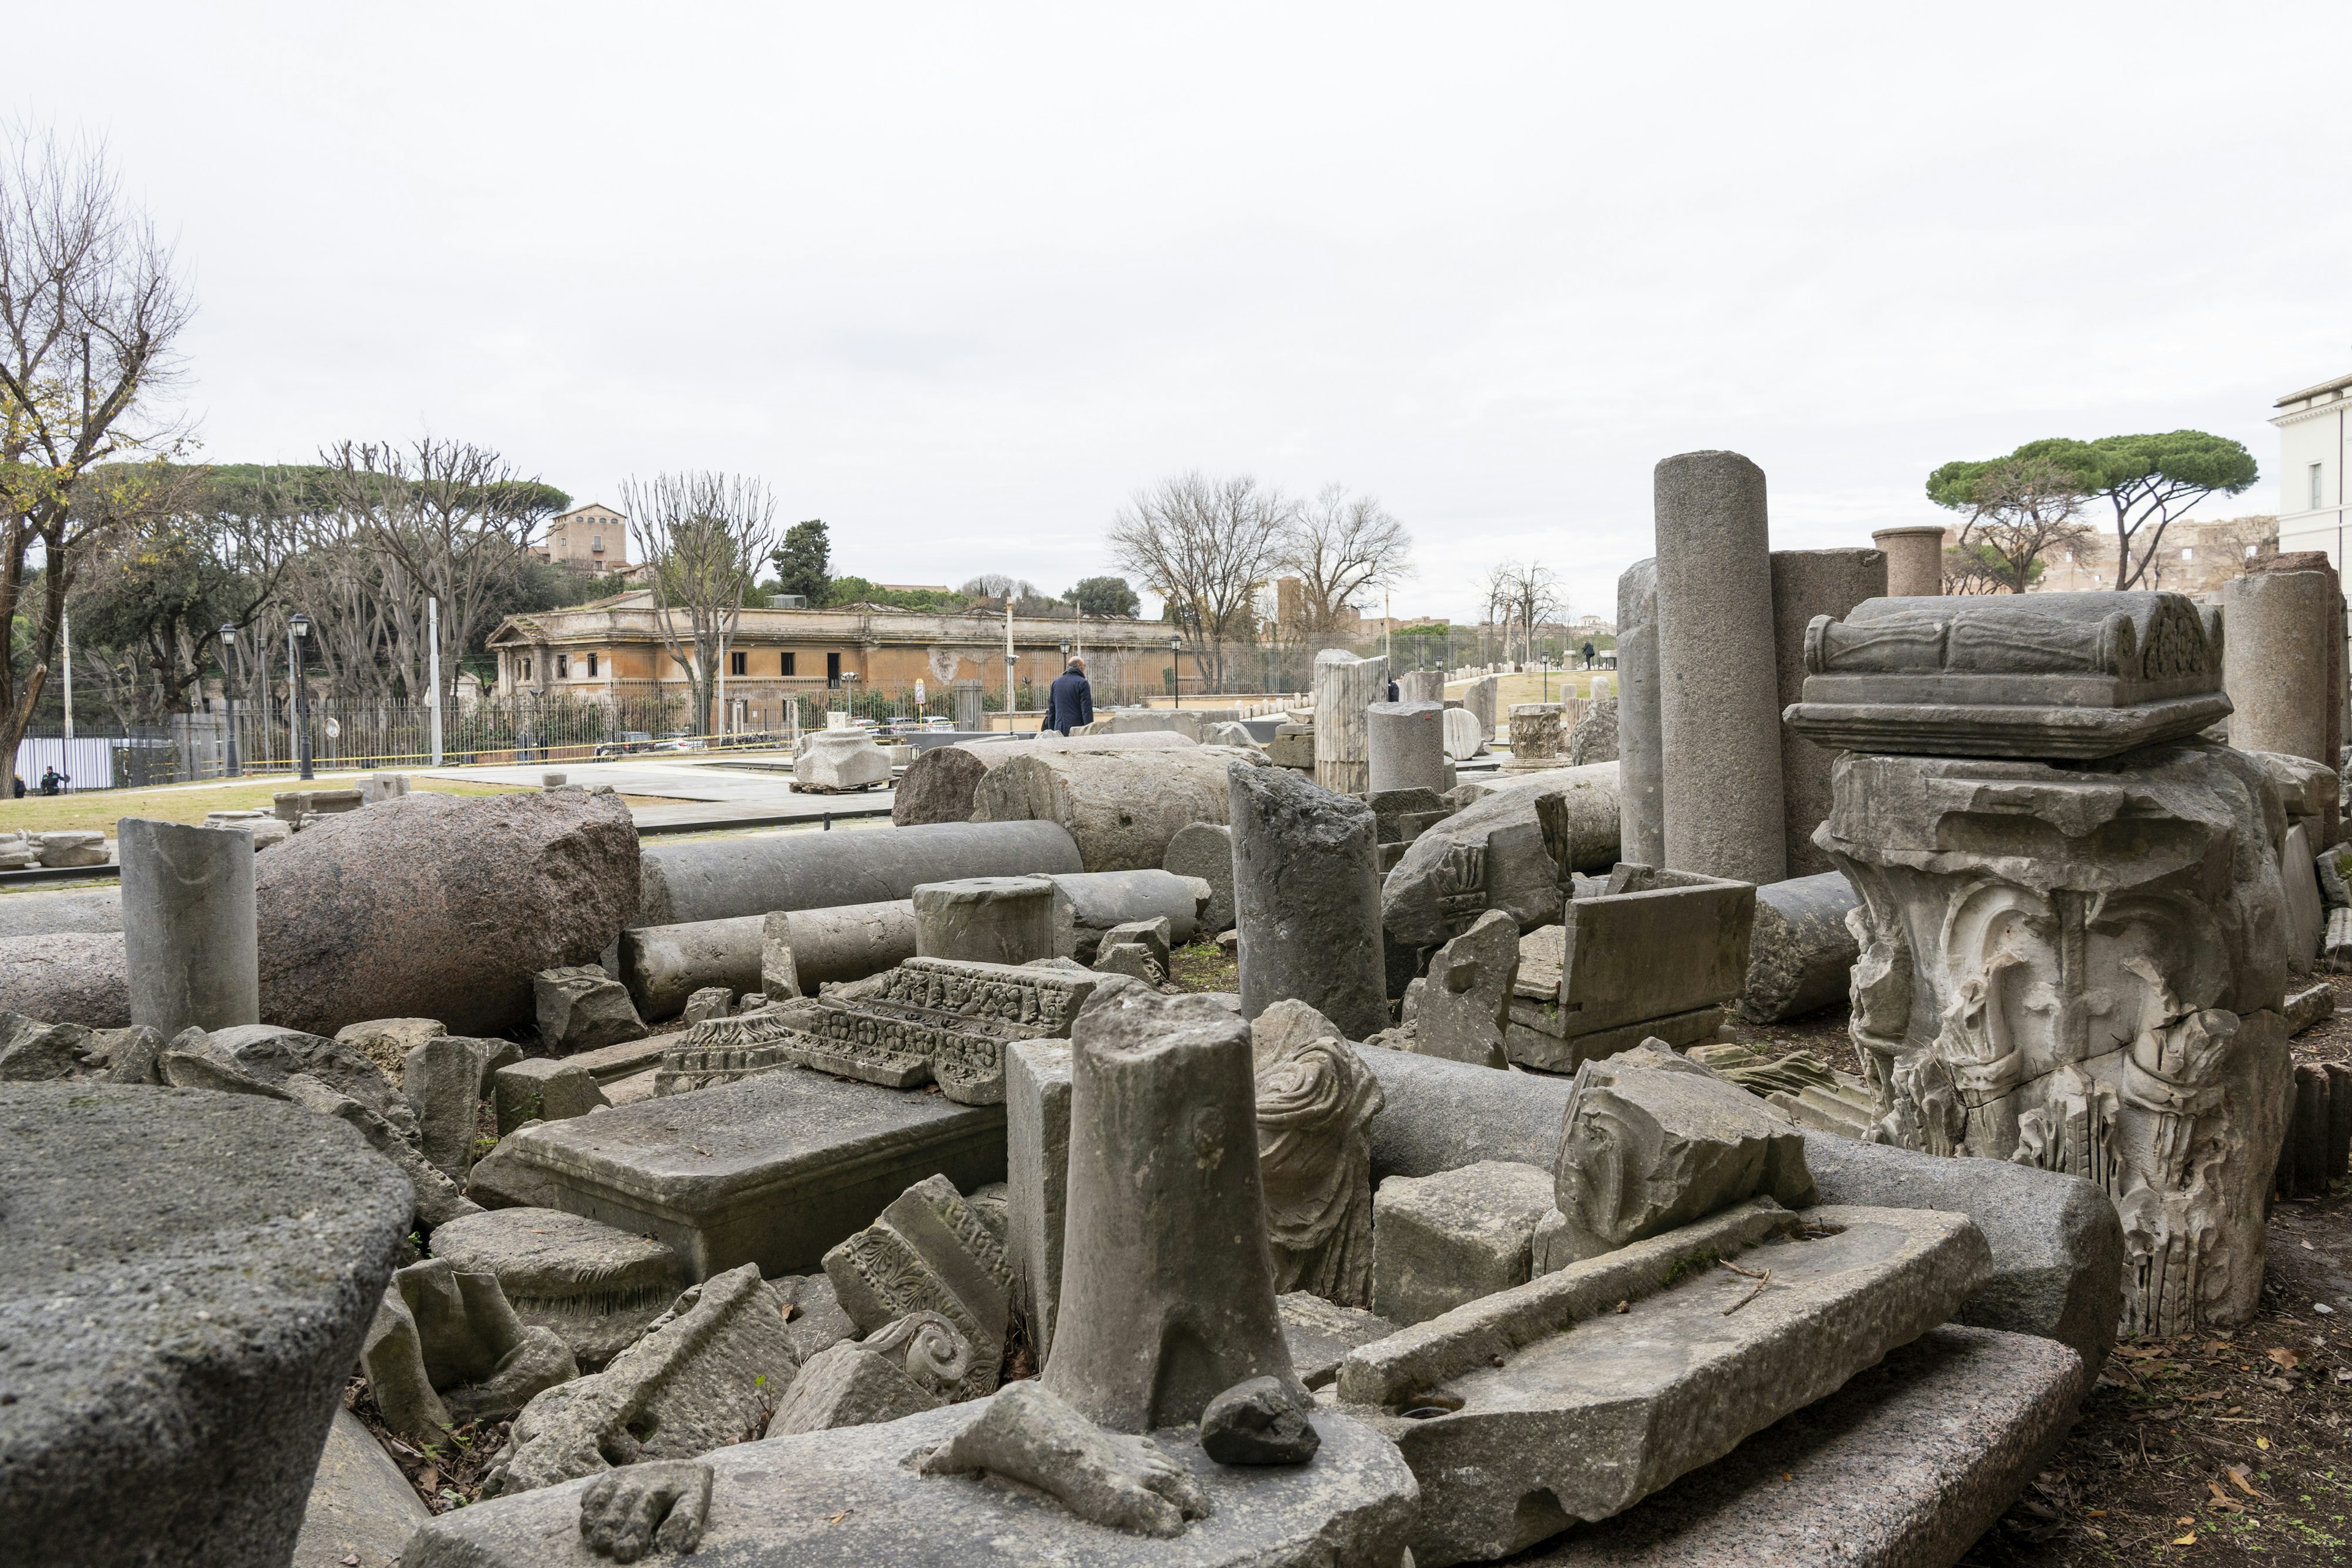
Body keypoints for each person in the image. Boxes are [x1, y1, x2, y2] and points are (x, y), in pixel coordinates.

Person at [1045, 657, 1094, 736]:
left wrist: (1052, 731)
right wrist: (1089, 730)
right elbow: (1086, 711)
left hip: (1059, 730)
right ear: (1079, 666)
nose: (1085, 668)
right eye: (1084, 666)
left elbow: (1052, 711)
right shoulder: (1082, 683)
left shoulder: (1056, 683)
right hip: (1077, 731)